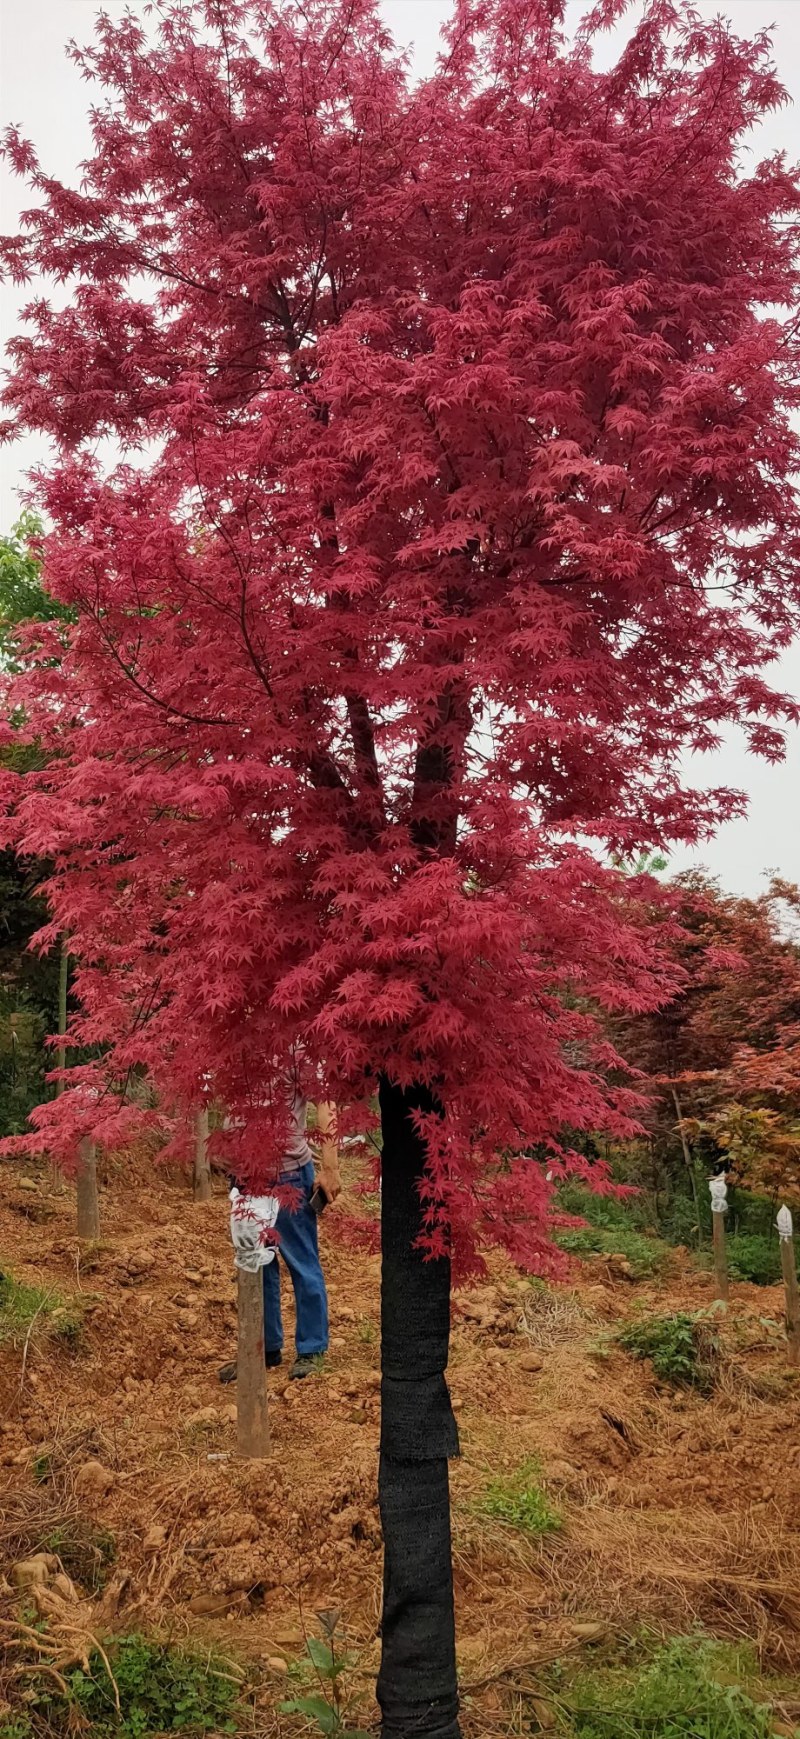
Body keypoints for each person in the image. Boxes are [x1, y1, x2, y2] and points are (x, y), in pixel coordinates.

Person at [219, 1065, 341, 1382]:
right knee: (256, 1266)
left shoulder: (294, 1046)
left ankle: (312, 1348)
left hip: (288, 1175)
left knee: (301, 1262)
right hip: (246, 1179)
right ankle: (263, 1348)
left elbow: (326, 1101)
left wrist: (330, 1166)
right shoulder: (233, 1043)